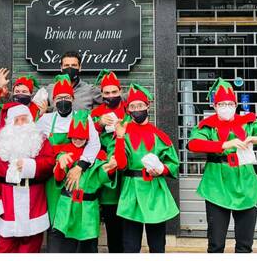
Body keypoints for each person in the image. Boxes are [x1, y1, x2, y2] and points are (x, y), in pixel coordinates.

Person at [187, 78, 257, 253]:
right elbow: (194, 144)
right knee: (216, 244)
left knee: (245, 244)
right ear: (215, 105)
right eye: (221, 104)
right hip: (217, 185)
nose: (226, 107)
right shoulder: (207, 126)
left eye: (229, 103)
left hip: (246, 184)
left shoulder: (249, 123)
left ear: (235, 104)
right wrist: (224, 145)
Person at [0, 105, 56, 253]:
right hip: (8, 207)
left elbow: (50, 163)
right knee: (5, 248)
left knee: (31, 248)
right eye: (17, 120)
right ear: (9, 125)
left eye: (24, 120)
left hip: (34, 206)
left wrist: (30, 165)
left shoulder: (40, 142)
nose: (21, 124)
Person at [113, 84, 180, 253]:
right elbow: (121, 164)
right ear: (128, 110)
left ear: (147, 106)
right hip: (131, 190)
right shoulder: (124, 133)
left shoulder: (160, 135)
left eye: (140, 106)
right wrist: (120, 138)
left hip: (154, 190)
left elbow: (173, 164)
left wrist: (162, 169)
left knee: (157, 244)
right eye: (132, 107)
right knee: (130, 245)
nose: (137, 109)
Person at [48, 110, 118, 253]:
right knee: (63, 246)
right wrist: (60, 166)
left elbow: (101, 176)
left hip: (88, 207)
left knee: (88, 246)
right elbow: (58, 178)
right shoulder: (64, 152)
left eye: (81, 137)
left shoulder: (98, 155)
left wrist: (110, 168)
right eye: (74, 137)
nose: (77, 140)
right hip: (67, 205)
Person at [36, 74, 100, 229]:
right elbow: (35, 145)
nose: (62, 101)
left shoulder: (83, 117)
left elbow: (94, 144)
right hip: (53, 178)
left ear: (72, 99)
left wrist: (79, 167)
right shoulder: (45, 120)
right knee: (56, 219)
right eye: (58, 98)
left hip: (79, 176)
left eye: (66, 97)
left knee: (76, 218)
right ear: (53, 101)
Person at [90, 69, 127, 252]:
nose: (111, 96)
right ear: (101, 94)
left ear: (120, 91)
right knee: (105, 219)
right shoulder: (96, 112)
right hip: (104, 170)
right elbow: (85, 139)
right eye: (106, 93)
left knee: (123, 224)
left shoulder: (130, 110)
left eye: (114, 92)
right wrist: (99, 124)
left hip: (126, 171)